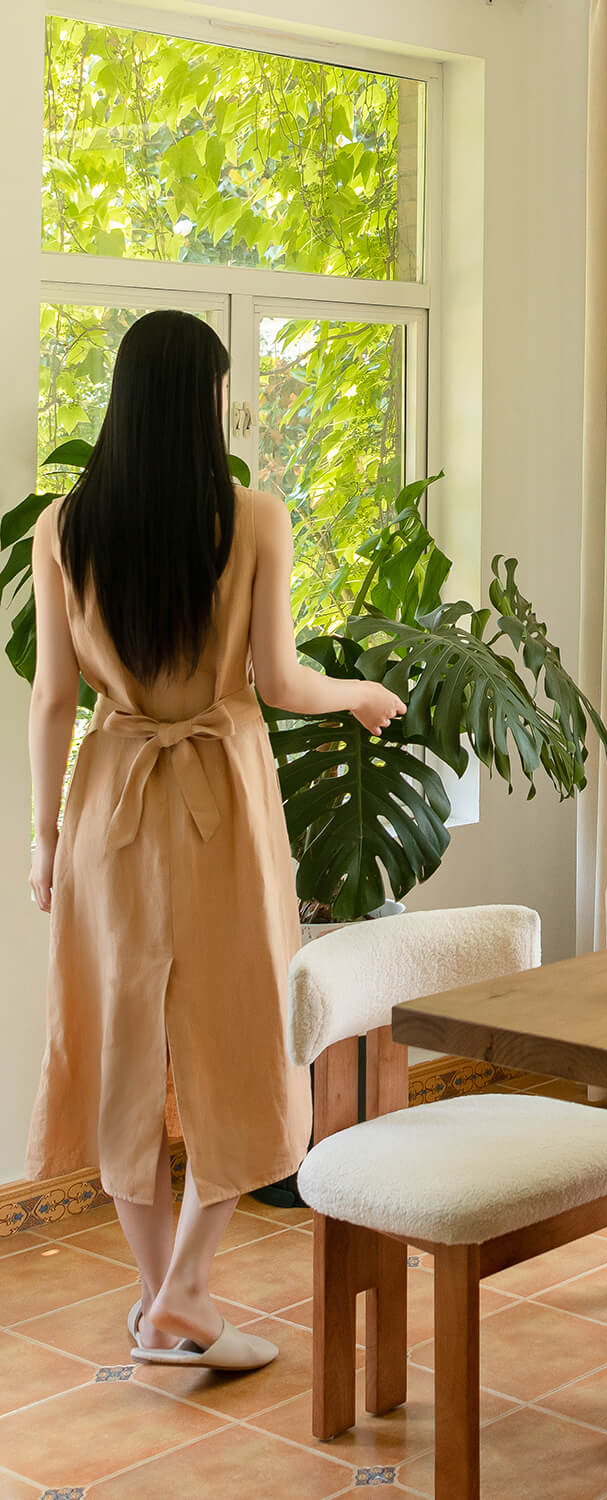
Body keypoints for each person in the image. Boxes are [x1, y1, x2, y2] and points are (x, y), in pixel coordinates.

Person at [24, 310, 403, 1371]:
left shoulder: (67, 527)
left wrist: (45, 837)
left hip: (110, 805)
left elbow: (52, 699)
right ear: (203, 399)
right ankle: (181, 1293)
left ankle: (167, 1302)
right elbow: (279, 686)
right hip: (223, 805)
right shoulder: (254, 518)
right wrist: (361, 692)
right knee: (243, 1039)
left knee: (120, 1050)